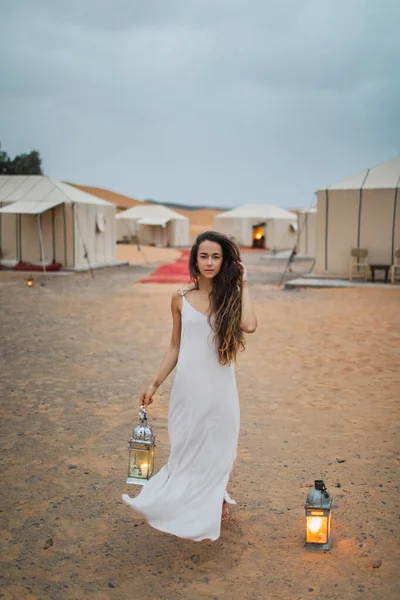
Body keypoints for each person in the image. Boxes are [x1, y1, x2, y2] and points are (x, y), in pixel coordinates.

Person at [122, 231, 257, 542]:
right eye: (203, 256)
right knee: (187, 445)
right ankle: (184, 500)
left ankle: (215, 495)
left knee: (220, 447)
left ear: (225, 262)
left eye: (216, 257)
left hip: (221, 388)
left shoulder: (231, 298)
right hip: (188, 388)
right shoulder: (180, 298)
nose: (209, 262)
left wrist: (243, 284)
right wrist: (154, 384)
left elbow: (249, 325)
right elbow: (174, 347)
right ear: (195, 260)